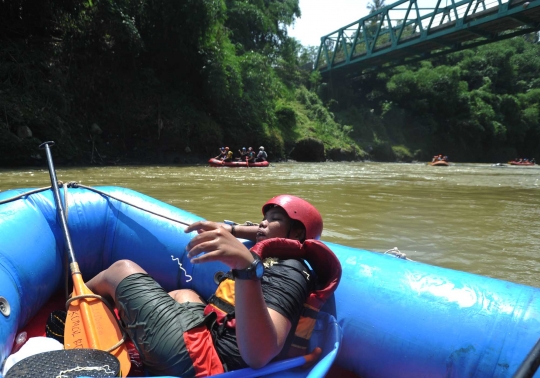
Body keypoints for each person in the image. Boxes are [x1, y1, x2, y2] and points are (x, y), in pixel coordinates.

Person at [85, 195, 341, 377]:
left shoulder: (289, 274)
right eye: (262, 219)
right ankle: (133, 340)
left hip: (204, 362)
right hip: (210, 337)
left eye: (273, 219)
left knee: (121, 270)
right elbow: (261, 233)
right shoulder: (280, 257)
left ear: (296, 234)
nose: (261, 223)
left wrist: (246, 269)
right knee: (183, 294)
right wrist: (230, 228)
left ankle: (73, 303)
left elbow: (259, 355)